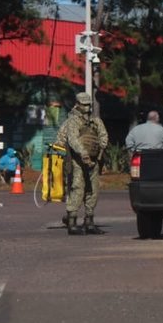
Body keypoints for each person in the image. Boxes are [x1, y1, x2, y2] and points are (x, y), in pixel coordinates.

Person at [56, 92, 109, 235]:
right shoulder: (72, 121)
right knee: (77, 188)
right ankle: (72, 221)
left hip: (94, 160)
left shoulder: (95, 120)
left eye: (88, 104)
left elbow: (103, 135)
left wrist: (100, 151)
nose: (86, 107)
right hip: (76, 160)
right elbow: (73, 140)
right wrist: (83, 154)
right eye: (84, 104)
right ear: (78, 104)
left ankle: (89, 221)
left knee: (93, 190)